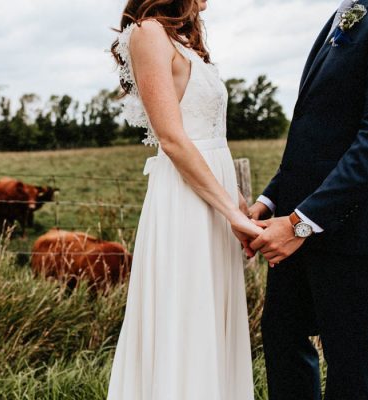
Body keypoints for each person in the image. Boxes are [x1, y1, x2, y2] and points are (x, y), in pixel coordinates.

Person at [106, 0, 259, 398]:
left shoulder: (184, 39)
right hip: (186, 201)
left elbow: (210, 134)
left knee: (210, 317)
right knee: (187, 314)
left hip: (213, 194)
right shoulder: (148, 33)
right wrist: (231, 211)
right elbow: (172, 139)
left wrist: (236, 201)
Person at [246, 0, 368, 399]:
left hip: (350, 232)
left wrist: (301, 222)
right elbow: (316, 133)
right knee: (282, 341)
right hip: (294, 224)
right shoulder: (348, 10)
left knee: (350, 367)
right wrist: (271, 200)